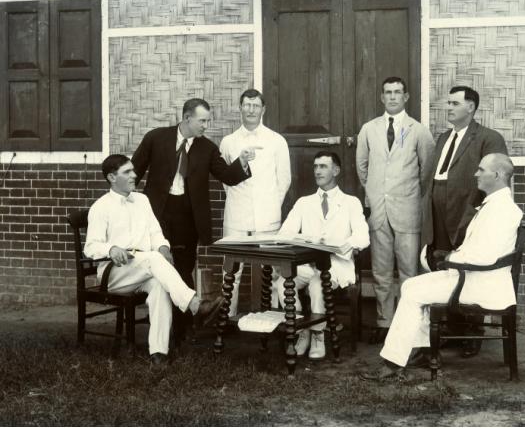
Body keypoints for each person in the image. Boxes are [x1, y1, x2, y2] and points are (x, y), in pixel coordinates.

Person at [361, 153, 523, 381]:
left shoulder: (503, 210)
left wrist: (449, 260)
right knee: (411, 285)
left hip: (481, 283)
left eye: (481, 170)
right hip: (472, 276)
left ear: (496, 175)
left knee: (414, 290)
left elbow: (485, 256)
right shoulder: (495, 205)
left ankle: (393, 362)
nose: (476, 174)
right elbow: (481, 249)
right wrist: (450, 256)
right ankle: (423, 352)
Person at [131, 98, 256, 342]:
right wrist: (130, 208)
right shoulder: (156, 138)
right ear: (187, 118)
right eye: (202, 121)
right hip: (157, 214)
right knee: (161, 265)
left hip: (188, 217)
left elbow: (227, 177)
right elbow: (135, 170)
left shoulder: (207, 148)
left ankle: (182, 329)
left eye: (207, 121)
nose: (206, 126)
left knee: (184, 268)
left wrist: (241, 163)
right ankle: (177, 320)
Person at [84, 155, 223, 365]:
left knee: (159, 285)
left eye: (133, 170)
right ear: (112, 177)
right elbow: (91, 247)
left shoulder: (142, 200)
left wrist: (163, 247)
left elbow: (155, 232)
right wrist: (111, 248)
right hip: (115, 273)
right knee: (152, 259)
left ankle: (158, 353)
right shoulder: (100, 207)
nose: (134, 175)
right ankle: (194, 305)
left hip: (144, 267)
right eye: (127, 172)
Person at [421, 85, 508, 357]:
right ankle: (449, 329)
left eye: (455, 103)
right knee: (443, 267)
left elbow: (495, 180)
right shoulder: (443, 137)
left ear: (470, 107)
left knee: (469, 270)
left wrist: (476, 213)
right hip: (438, 213)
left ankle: (473, 333)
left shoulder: (487, 138)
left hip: (465, 214)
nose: (449, 108)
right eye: (448, 103)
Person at [356, 76, 435, 340]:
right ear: (381, 97)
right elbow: (362, 169)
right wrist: (377, 195)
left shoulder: (418, 130)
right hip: (379, 210)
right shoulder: (369, 129)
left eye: (397, 92)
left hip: (408, 210)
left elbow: (427, 172)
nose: (392, 96)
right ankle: (384, 323)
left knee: (408, 272)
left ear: (406, 96)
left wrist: (410, 195)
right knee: (380, 271)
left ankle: (408, 326)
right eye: (387, 92)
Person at [275, 151, 369, 360]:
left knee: (319, 282)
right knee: (281, 282)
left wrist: (341, 246)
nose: (317, 170)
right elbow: (285, 233)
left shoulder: (350, 202)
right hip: (306, 264)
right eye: (315, 166)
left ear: (336, 171)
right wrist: (304, 241)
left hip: (335, 265)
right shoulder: (304, 202)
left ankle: (318, 334)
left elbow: (363, 237)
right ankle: (302, 330)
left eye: (323, 166)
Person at [219, 88, 291, 316]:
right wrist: (240, 201)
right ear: (240, 108)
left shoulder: (276, 141)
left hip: (267, 216)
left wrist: (269, 205)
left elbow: (284, 179)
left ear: (263, 109)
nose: (251, 110)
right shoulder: (229, 141)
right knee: (231, 270)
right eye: (247, 105)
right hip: (236, 215)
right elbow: (226, 180)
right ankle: (228, 317)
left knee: (273, 270)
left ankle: (271, 317)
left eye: (256, 106)